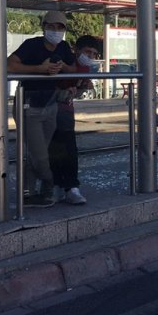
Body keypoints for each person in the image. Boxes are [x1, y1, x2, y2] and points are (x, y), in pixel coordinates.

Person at [8, 10, 76, 207]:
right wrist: (40, 69)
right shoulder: (32, 45)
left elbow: (73, 68)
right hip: (29, 106)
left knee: (37, 154)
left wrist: (62, 66)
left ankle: (29, 194)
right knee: (40, 156)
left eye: (60, 28)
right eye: (51, 27)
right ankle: (50, 184)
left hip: (50, 105)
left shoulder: (63, 47)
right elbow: (9, 65)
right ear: (43, 27)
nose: (55, 31)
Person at [49, 35, 101, 205]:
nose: (90, 56)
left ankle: (67, 186)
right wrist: (68, 91)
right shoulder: (65, 63)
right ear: (77, 50)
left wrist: (80, 88)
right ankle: (61, 185)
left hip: (65, 111)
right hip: (49, 110)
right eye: (87, 52)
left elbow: (75, 89)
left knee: (67, 148)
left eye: (94, 54)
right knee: (56, 148)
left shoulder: (85, 68)